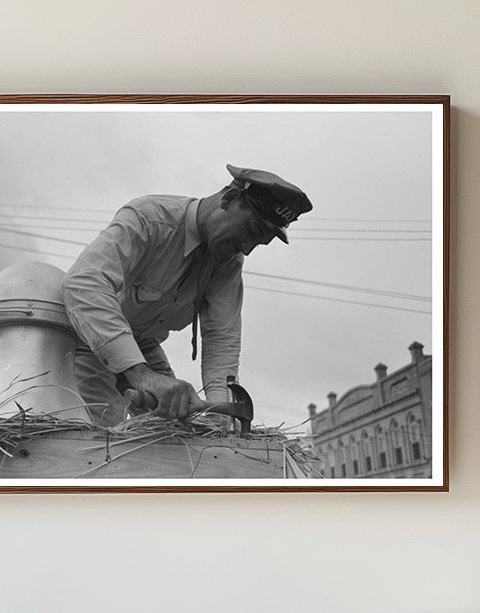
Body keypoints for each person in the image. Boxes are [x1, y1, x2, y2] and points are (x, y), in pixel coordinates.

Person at [60, 164, 312, 426]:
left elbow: (221, 337)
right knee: (102, 436)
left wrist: (220, 412)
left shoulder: (228, 260)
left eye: (258, 244)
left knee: (174, 431)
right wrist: (142, 376)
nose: (247, 249)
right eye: (250, 231)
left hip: (143, 345)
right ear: (228, 199)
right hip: (85, 339)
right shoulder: (148, 219)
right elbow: (83, 283)